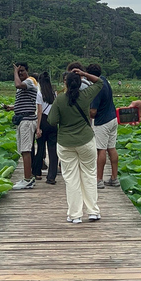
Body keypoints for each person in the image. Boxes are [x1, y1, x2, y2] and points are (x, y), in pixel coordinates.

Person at [48, 68, 104, 224]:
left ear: (65, 83)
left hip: (65, 143)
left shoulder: (59, 99)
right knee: (89, 174)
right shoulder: (86, 96)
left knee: (71, 179)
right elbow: (100, 82)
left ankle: (75, 215)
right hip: (86, 140)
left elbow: (52, 121)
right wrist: (85, 74)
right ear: (80, 84)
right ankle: (93, 211)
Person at [4, 62, 38, 190]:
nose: (20, 74)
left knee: (25, 150)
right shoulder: (24, 86)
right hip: (22, 119)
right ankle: (28, 177)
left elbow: (18, 84)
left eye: (22, 71)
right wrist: (12, 108)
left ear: (27, 71)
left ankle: (27, 179)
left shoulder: (30, 81)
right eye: (18, 72)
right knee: (24, 150)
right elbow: (26, 101)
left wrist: (14, 72)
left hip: (27, 120)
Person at [86, 64, 119, 189]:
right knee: (112, 148)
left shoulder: (97, 88)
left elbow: (93, 112)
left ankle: (98, 180)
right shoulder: (105, 80)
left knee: (101, 150)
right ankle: (114, 178)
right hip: (113, 118)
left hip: (103, 122)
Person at [32, 72, 59, 185]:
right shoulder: (54, 94)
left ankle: (37, 173)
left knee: (41, 148)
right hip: (52, 123)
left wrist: (38, 128)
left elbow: (39, 111)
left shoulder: (39, 93)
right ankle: (51, 176)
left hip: (43, 121)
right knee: (53, 151)